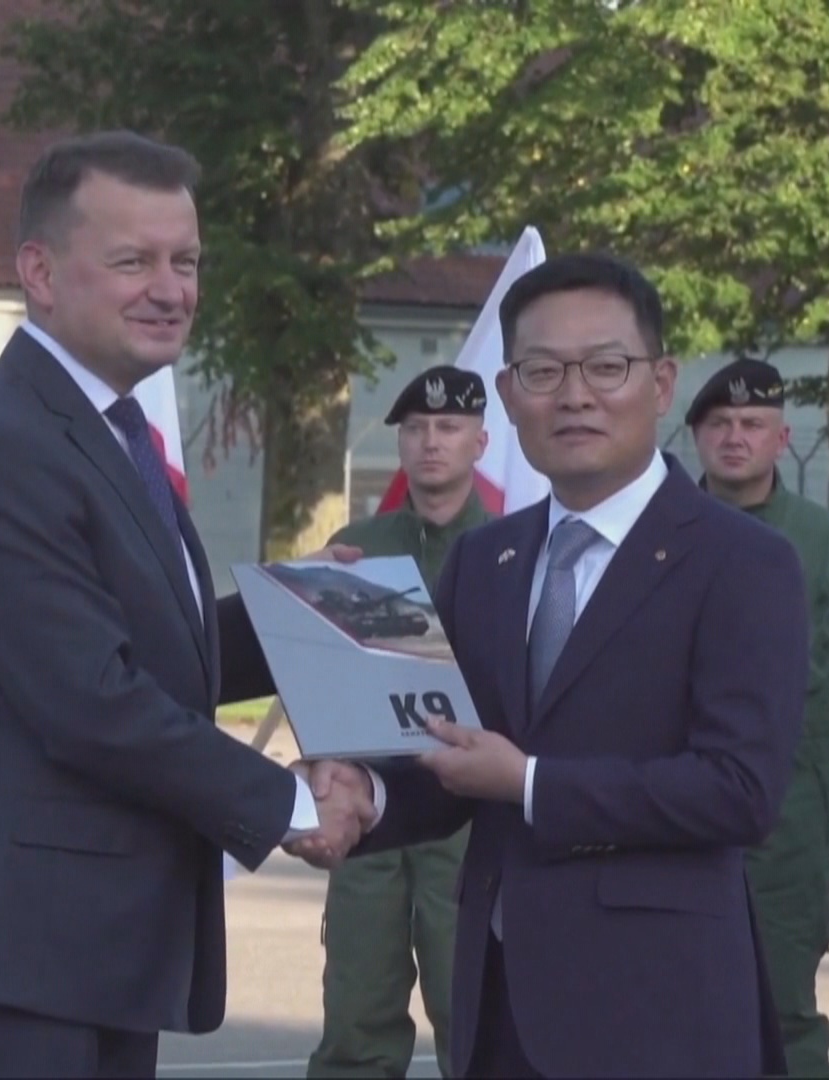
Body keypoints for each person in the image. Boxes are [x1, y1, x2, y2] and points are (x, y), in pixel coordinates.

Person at [0, 130, 373, 1079]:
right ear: (40, 272)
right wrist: (290, 802)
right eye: (134, 262)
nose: (171, 290)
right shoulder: (4, 446)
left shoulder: (105, 430)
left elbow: (148, 651)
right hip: (16, 948)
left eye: (187, 262)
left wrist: (303, 613)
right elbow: (91, 700)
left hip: (86, 949)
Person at [290, 252, 811, 1077]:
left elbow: (738, 790)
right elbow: (451, 757)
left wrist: (530, 782)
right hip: (500, 1001)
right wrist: (367, 797)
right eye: (542, 371)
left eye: (606, 366)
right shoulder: (485, 559)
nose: (574, 395)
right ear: (507, 394)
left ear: (661, 382)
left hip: (659, 1007)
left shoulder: (744, 561)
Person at [306, 364, 495, 1080]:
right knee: (357, 1018)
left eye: (448, 427)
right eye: (416, 429)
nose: (431, 442)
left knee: (473, 1018)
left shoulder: (511, 548)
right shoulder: (358, 547)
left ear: (480, 441)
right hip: (372, 808)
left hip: (468, 819)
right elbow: (322, 674)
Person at [687, 356, 829, 1079]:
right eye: (720, 423)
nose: (735, 437)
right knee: (674, 999)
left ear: (782, 438)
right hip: (671, 798)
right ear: (695, 435)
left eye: (752, 424)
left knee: (783, 999)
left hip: (791, 810)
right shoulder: (657, 532)